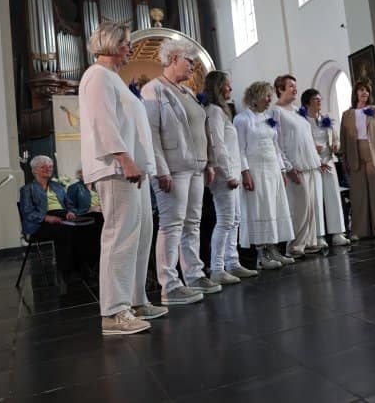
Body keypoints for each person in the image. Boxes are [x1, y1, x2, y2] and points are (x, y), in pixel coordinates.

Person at [78, 21, 166, 335]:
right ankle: (114, 312)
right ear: (112, 44)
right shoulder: (97, 75)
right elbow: (102, 121)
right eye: (127, 43)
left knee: (140, 235)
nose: (131, 48)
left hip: (132, 168)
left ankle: (136, 301)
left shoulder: (113, 78)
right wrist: (124, 157)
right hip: (116, 168)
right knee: (120, 236)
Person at [142, 38, 222, 306]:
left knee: (192, 224)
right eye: (190, 61)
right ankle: (170, 286)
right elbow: (151, 133)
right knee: (172, 225)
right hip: (173, 169)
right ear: (174, 58)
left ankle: (194, 275)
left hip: (196, 167)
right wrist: (160, 169)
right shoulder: (154, 89)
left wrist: (209, 163)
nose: (193, 66)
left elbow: (202, 130)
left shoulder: (187, 91)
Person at [203, 71, 258, 284]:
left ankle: (232, 262)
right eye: (227, 85)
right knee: (225, 220)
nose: (231, 89)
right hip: (223, 175)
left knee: (234, 220)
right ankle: (217, 268)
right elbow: (217, 145)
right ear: (218, 87)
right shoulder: (214, 111)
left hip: (231, 173)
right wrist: (228, 174)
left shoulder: (221, 111)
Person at [235, 81, 295, 269]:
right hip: (256, 170)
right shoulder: (242, 119)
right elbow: (240, 150)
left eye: (270, 96)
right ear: (255, 97)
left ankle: (274, 249)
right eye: (266, 96)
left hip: (272, 169)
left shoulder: (269, 118)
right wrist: (245, 173)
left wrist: (282, 170)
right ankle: (262, 254)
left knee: (275, 208)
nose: (270, 100)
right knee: (261, 209)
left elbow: (275, 147)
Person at [272, 75, 327, 258]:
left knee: (311, 206)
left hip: (310, 164)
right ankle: (294, 246)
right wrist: (288, 167)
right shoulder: (276, 112)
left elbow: (307, 136)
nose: (295, 89)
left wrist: (317, 159)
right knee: (299, 208)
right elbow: (277, 141)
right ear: (280, 89)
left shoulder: (298, 111)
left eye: (295, 86)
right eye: (290, 86)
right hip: (296, 165)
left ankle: (308, 242)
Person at [339, 80, 375, 239]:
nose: (364, 93)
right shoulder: (347, 114)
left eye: (367, 90)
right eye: (361, 90)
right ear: (355, 93)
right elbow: (343, 138)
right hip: (354, 155)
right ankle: (358, 231)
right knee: (358, 195)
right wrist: (344, 159)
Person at [301, 88, 352, 246]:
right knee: (316, 199)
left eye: (320, 99)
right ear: (307, 103)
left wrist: (336, 145)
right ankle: (318, 236)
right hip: (313, 163)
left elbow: (335, 138)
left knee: (333, 197)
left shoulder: (326, 119)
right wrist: (313, 151)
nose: (319, 101)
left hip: (328, 160)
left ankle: (337, 233)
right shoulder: (302, 121)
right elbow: (301, 143)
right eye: (315, 99)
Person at [18, 155, 76, 292]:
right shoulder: (27, 189)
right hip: (40, 224)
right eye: (43, 167)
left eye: (50, 166)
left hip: (62, 217)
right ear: (34, 170)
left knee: (86, 226)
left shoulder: (57, 186)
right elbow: (27, 212)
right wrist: (46, 217)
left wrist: (70, 211)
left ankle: (83, 267)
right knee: (64, 230)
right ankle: (65, 272)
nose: (48, 169)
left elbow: (69, 204)